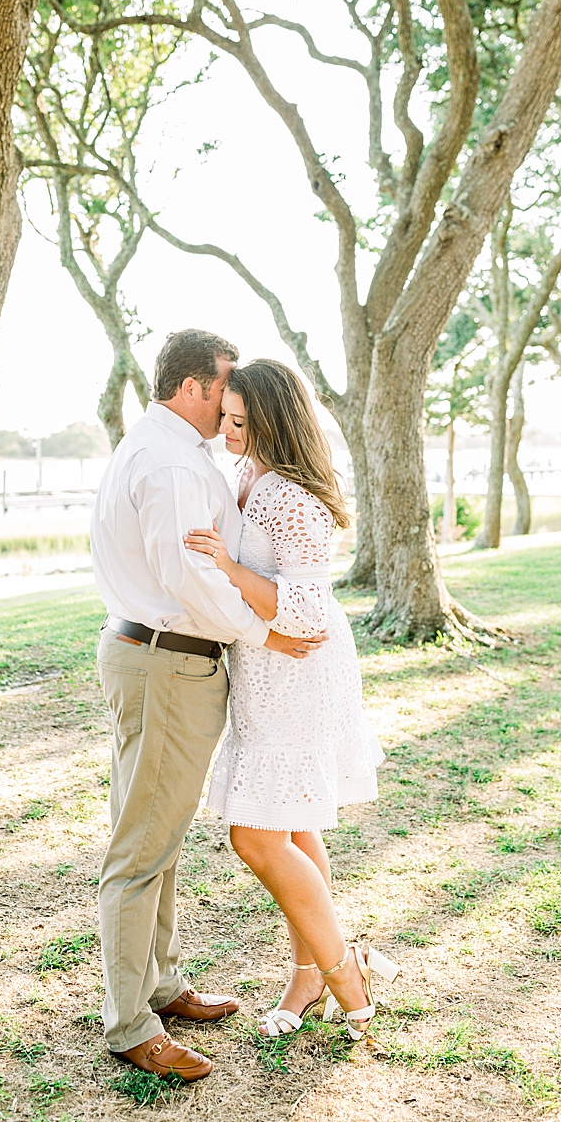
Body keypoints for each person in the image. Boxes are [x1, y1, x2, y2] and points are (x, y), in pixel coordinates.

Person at [89, 330, 326, 1083]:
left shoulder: (172, 453)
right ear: (193, 388)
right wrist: (266, 632)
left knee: (156, 834)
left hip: (164, 659)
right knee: (139, 848)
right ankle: (130, 1023)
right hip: (165, 662)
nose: (232, 400)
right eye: (225, 386)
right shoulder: (166, 462)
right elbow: (187, 577)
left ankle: (160, 985)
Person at [184, 357, 398, 1048]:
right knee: (298, 831)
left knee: (255, 835)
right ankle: (309, 974)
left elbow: (307, 610)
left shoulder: (294, 498)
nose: (230, 433)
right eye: (228, 420)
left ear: (275, 424)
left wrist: (228, 566)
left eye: (243, 424)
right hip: (262, 673)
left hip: (298, 675)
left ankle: (344, 973)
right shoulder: (249, 476)